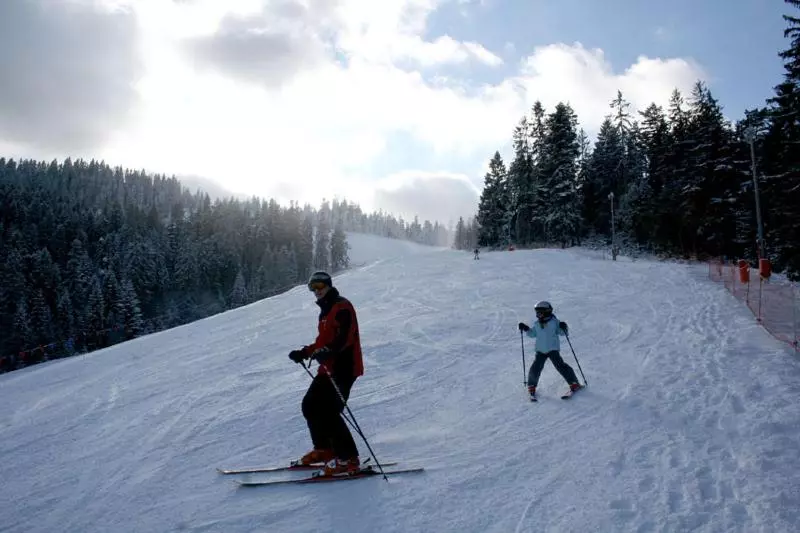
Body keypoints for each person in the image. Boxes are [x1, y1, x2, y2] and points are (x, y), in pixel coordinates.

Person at [288, 271, 364, 475]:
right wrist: (305, 352)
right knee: (310, 405)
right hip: (327, 367)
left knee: (329, 411)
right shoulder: (326, 311)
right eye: (312, 288)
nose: (316, 291)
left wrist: (328, 351)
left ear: (329, 285)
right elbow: (323, 341)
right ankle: (324, 450)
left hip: (344, 367)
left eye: (320, 286)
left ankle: (348, 458)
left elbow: (345, 337)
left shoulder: (342, 307)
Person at [518, 301, 581, 400]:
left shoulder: (554, 322)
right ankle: (531, 385)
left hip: (552, 349)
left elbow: (562, 333)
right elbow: (532, 334)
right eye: (537, 312)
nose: (538, 314)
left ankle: (574, 383)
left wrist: (564, 327)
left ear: (547, 311)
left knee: (560, 366)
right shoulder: (537, 324)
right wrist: (526, 329)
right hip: (540, 350)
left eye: (540, 312)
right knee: (535, 368)